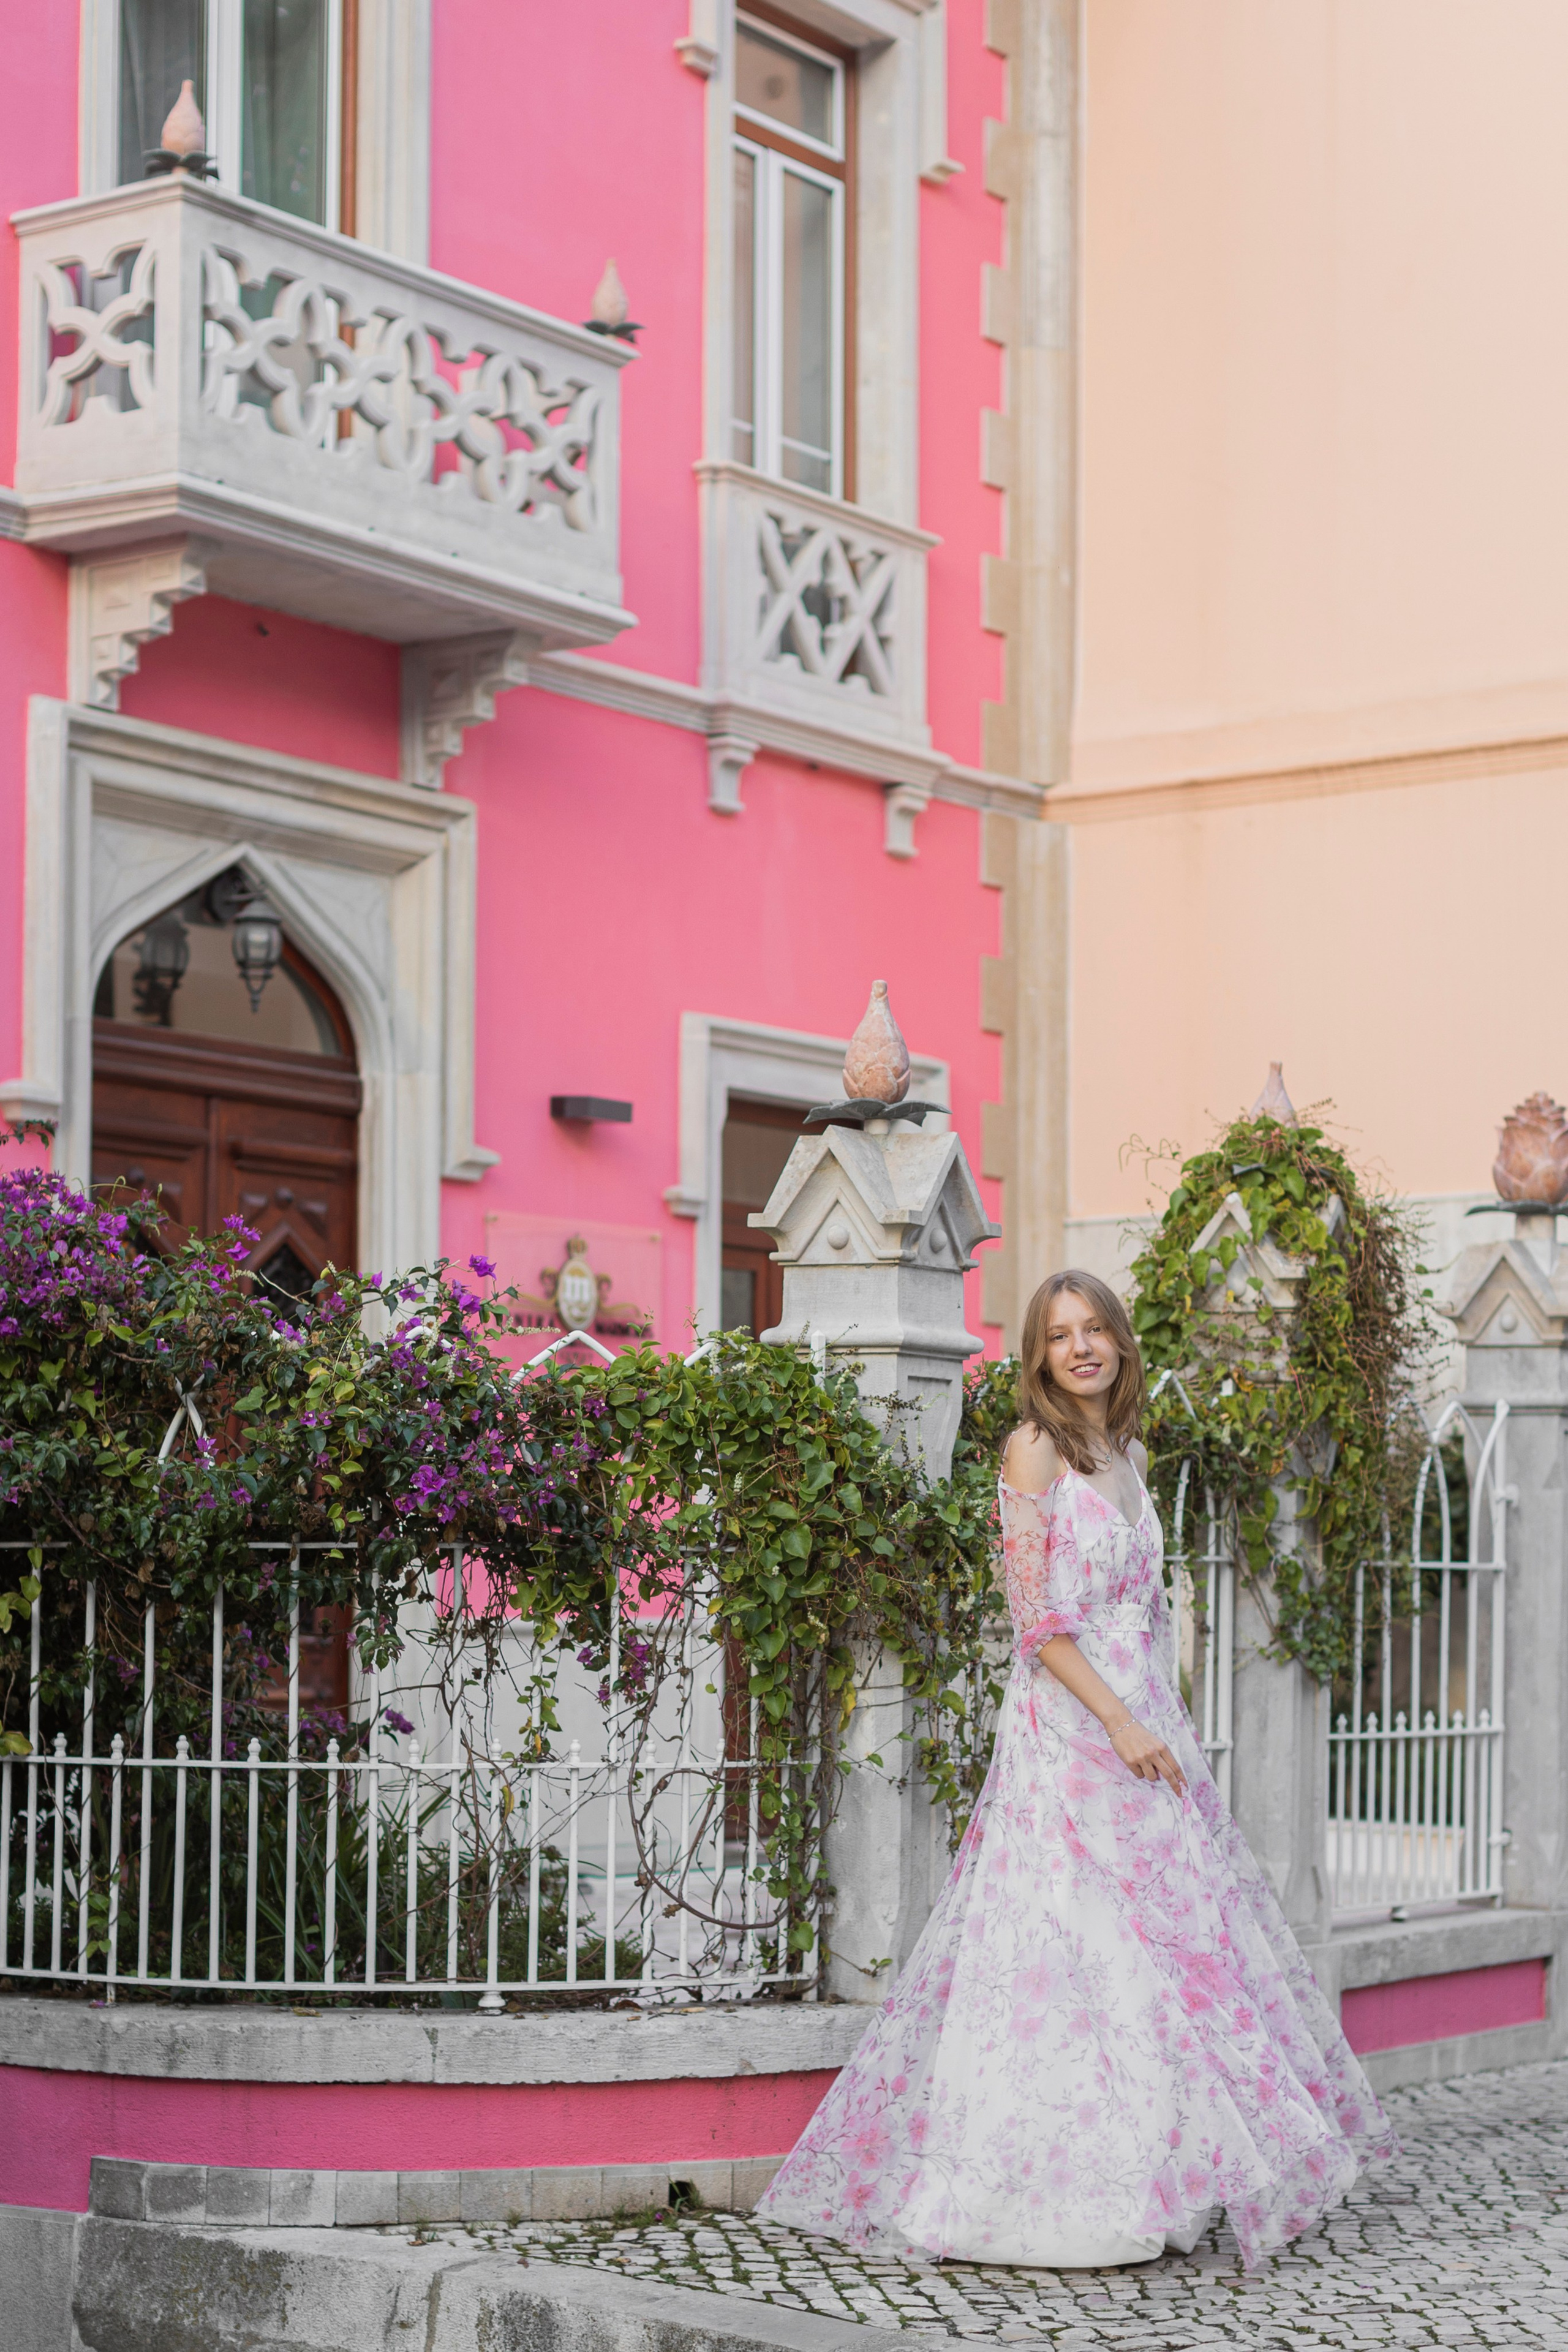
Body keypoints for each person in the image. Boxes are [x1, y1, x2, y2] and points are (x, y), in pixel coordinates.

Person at [756, 1270, 1396, 2270]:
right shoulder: (1034, 1448)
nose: (1082, 1347)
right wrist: (1117, 1722)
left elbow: (1143, 1612)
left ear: (1120, 1343)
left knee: (1160, 1952)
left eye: (1095, 1328)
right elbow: (1035, 1620)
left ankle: (1152, 2184)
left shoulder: (1130, 1452)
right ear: (1040, 1357)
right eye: (1061, 1335)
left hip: (1147, 1733)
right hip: (1072, 1732)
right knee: (1069, 1940)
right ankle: (1043, 2197)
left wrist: (1159, 1721)